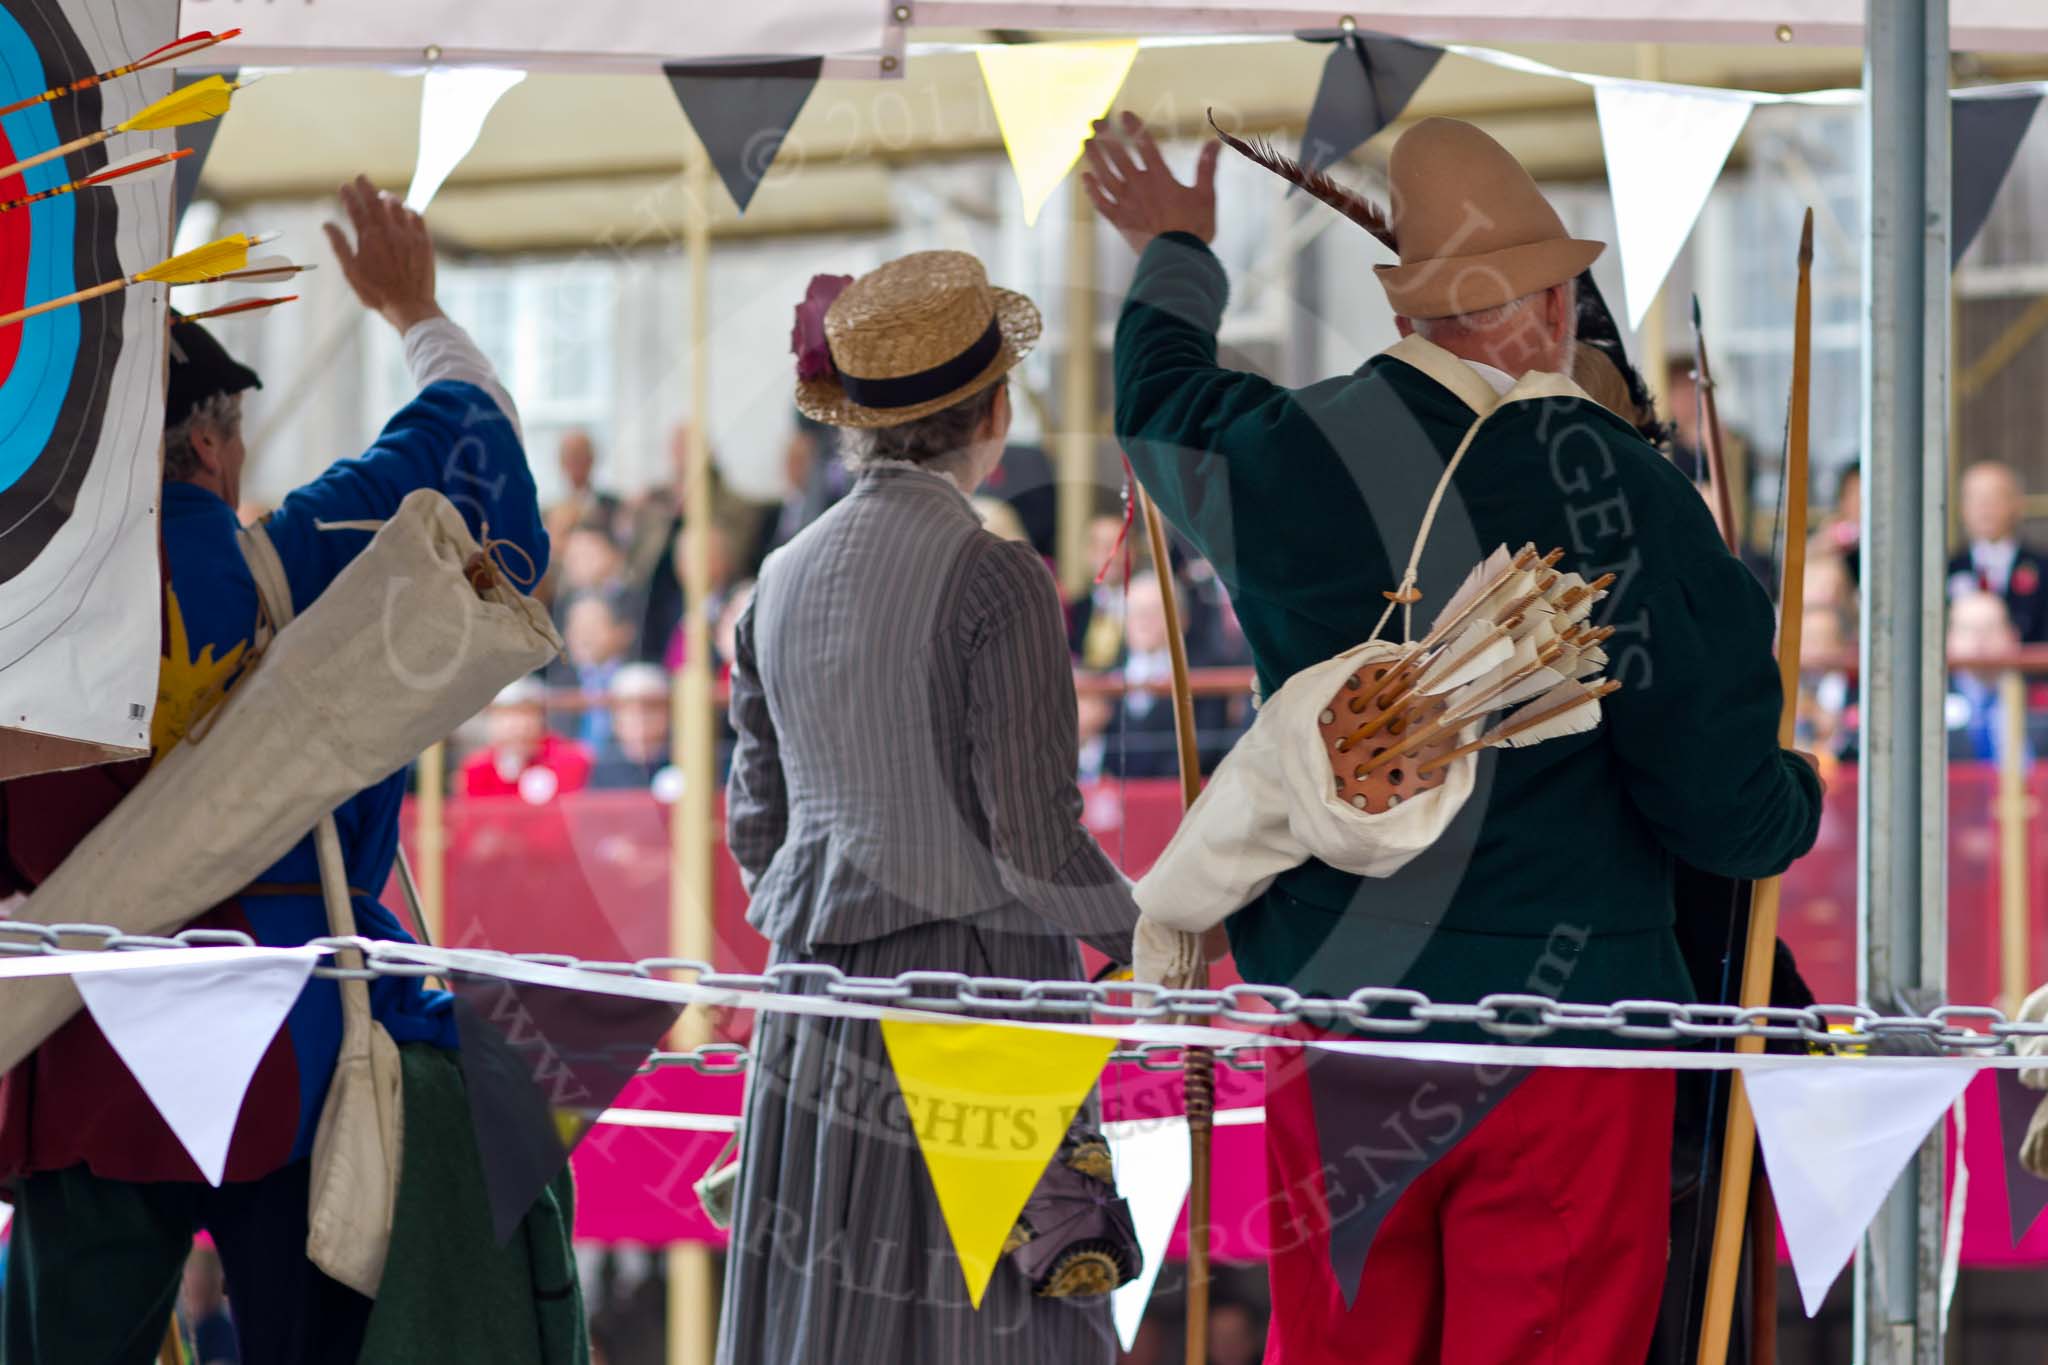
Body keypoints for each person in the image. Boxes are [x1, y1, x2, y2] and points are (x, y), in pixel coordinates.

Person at [1084, 112, 1821, 1363]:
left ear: (1408, 314)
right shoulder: (1622, 483)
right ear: (1544, 309)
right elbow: (1717, 808)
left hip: (1336, 1018)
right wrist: (1791, 794)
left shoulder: (1283, 448)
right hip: (1570, 1036)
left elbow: (1156, 400)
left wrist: (1174, 250)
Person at [0, 176, 551, 1363]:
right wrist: (415, 310)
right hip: (287, 1056)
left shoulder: (13, 610)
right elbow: (486, 465)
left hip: (73, 1045)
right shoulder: (307, 559)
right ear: (207, 440)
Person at [717, 251, 1140, 1364]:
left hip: (810, 997)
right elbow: (1038, 843)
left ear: (855, 423)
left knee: (830, 1327)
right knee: (993, 1331)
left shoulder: (776, 579)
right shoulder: (996, 576)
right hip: (977, 988)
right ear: (993, 412)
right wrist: (1167, 937)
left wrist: (829, 915)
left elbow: (753, 831)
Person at [1949, 459, 2047, 642]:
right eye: (1975, 497)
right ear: (1962, 508)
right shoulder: (1946, 570)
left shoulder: (2043, 568)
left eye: (1995, 497)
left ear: (2017, 504)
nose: (1984, 507)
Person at [459, 678, 594, 801]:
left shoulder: (568, 759)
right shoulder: (477, 768)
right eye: (507, 715)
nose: (519, 725)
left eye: (527, 713)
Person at [588, 664, 676, 793]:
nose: (640, 721)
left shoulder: (686, 759)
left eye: (650, 711)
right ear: (615, 720)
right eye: (629, 712)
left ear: (667, 714)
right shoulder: (604, 767)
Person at [181, 1245, 240, 1365]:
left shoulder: (224, 1334)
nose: (193, 1281)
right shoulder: (184, 1329)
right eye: (190, 1270)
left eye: (204, 1270)